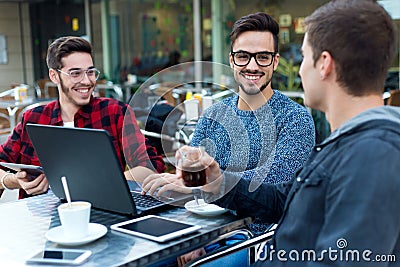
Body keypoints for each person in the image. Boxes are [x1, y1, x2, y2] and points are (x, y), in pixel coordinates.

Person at [178, 0, 399, 265]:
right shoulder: (349, 145)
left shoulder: (372, 155)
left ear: (324, 65)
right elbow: (285, 198)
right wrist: (218, 182)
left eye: (304, 56)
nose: (299, 68)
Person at [142, 12, 315, 266]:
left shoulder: (295, 119)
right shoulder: (213, 114)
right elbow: (190, 175)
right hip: (200, 230)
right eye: (243, 56)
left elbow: (271, 192)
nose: (252, 66)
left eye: (263, 57)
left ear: (275, 62)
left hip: (256, 240)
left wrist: (199, 187)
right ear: (232, 61)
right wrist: (179, 188)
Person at [0, 36, 165, 199]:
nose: (86, 81)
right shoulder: (33, 118)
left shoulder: (115, 112)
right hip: (41, 218)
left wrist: (101, 184)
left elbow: (150, 165)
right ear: (54, 76)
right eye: (75, 73)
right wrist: (13, 181)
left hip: (103, 212)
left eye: (90, 72)